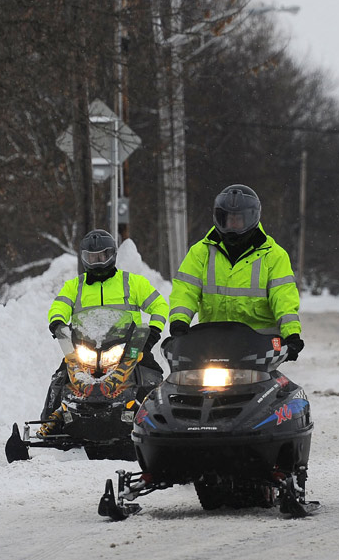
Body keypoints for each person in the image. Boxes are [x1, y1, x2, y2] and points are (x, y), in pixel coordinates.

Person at [39, 229, 168, 431]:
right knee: (61, 376)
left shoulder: (132, 282)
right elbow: (59, 306)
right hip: (87, 345)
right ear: (84, 258)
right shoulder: (75, 286)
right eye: (92, 257)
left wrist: (153, 331)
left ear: (112, 255)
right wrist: (57, 322)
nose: (97, 261)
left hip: (128, 347)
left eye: (102, 255)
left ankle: (161, 421)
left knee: (151, 373)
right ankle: (49, 424)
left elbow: (159, 305)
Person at [168, 183, 303, 361]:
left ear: (252, 218)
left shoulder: (274, 255)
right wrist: (179, 321)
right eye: (227, 218)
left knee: (276, 388)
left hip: (261, 347)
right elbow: (186, 290)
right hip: (211, 343)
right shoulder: (201, 252)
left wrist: (291, 334)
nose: (233, 224)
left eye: (239, 219)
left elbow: (284, 297)